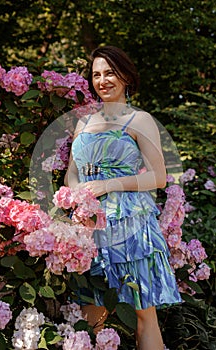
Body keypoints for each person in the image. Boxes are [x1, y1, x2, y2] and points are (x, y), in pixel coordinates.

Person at [64, 45, 182, 350]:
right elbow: (71, 173)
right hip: (88, 227)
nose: (103, 80)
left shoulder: (139, 120)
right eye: (96, 74)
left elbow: (157, 177)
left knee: (144, 315)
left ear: (126, 76)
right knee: (91, 315)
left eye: (110, 73)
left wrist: (108, 186)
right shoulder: (83, 123)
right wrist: (77, 192)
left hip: (130, 225)